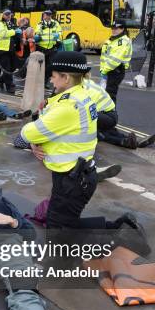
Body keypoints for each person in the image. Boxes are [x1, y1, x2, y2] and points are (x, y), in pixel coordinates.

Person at [19, 52, 140, 230]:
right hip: (76, 174)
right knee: (62, 223)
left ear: (66, 77)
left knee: (59, 229)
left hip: (72, 180)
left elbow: (27, 133)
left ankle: (119, 230)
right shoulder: (81, 94)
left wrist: (35, 140)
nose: (51, 81)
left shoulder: (68, 107)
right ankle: (117, 227)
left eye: (53, 76)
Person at [83, 77, 155, 149]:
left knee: (96, 132)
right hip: (110, 114)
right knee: (105, 129)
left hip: (104, 115)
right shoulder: (87, 82)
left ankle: (124, 141)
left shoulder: (80, 88)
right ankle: (132, 140)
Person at [99, 21, 132, 104]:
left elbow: (115, 60)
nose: (113, 30)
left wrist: (104, 71)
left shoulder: (123, 41)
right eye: (113, 28)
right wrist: (103, 70)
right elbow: (104, 56)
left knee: (110, 95)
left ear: (122, 29)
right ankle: (107, 113)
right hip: (109, 70)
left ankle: (111, 115)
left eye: (116, 28)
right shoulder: (113, 39)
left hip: (116, 71)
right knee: (105, 95)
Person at [34, 9, 62, 86]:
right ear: (43, 16)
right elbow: (37, 33)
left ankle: (45, 82)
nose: (48, 17)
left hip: (51, 48)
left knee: (50, 66)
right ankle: (39, 82)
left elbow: (60, 32)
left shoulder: (55, 23)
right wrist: (37, 36)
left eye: (49, 15)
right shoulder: (40, 24)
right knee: (40, 67)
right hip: (42, 48)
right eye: (46, 15)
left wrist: (58, 35)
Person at [0, 9, 22, 94]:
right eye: (6, 15)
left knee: (12, 67)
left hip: (11, 49)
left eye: (9, 15)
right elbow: (3, 34)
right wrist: (14, 31)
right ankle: (10, 86)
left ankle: (1, 79)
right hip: (3, 49)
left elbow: (14, 33)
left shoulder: (10, 23)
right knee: (7, 68)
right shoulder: (0, 24)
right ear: (2, 15)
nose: (8, 16)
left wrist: (18, 32)